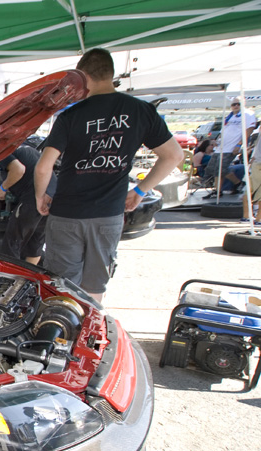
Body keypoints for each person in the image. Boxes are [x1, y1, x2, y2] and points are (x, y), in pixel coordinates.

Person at [34, 48, 183, 304]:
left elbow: (43, 167)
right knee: (95, 286)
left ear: (83, 76)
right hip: (108, 214)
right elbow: (174, 155)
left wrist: (41, 196)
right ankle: (90, 327)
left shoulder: (70, 115)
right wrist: (140, 190)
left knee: (63, 286)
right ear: (111, 74)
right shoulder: (141, 111)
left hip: (67, 213)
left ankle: (63, 327)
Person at [0, 144, 55, 264]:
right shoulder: (27, 149)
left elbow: (18, 170)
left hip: (33, 199)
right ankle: (28, 275)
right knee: (35, 243)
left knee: (12, 242)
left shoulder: (2, 151)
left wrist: (3, 188)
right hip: (52, 199)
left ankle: (9, 274)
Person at [206, 100, 257, 192]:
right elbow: (223, 131)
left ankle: (217, 191)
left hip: (231, 147)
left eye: (238, 104)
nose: (236, 106)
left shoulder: (247, 114)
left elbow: (250, 129)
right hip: (221, 147)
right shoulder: (230, 116)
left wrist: (239, 144)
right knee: (213, 168)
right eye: (234, 104)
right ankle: (237, 183)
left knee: (220, 169)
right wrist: (216, 141)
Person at [240, 131, 261, 222]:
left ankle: (246, 216)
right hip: (258, 164)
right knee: (257, 192)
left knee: (249, 190)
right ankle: (259, 218)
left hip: (255, 163)